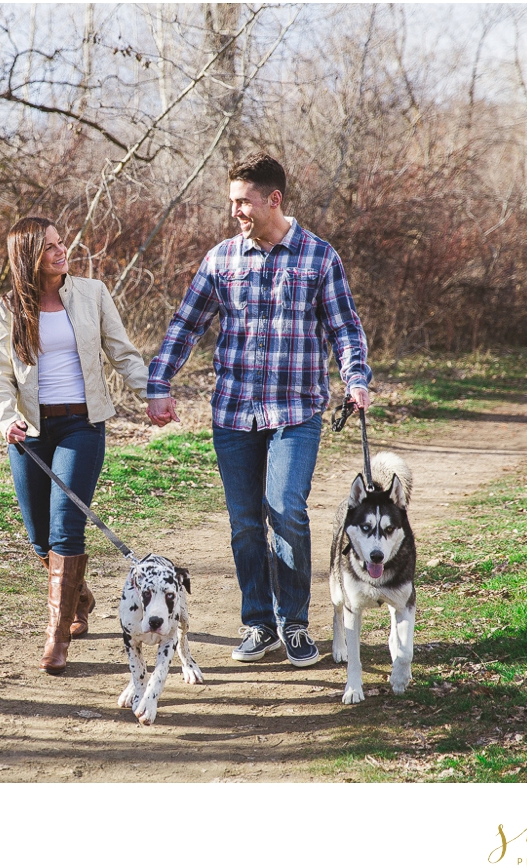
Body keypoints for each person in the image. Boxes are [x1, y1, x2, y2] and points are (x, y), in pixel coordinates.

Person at [145, 152, 372, 668]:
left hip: (295, 413)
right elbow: (186, 325)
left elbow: (344, 328)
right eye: (231, 203)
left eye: (243, 202)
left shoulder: (319, 257)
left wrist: (355, 378)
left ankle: (294, 623)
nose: (236, 213)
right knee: (246, 522)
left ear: (274, 199)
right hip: (234, 414)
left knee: (286, 510)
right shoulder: (222, 259)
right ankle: (258, 624)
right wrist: (159, 382)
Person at [0, 216, 149, 674]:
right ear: (28, 258)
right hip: (31, 433)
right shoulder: (8, 308)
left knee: (65, 528)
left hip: (82, 425)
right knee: (40, 535)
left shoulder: (92, 293)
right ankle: (78, 595)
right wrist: (6, 418)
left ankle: (56, 640)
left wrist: (151, 394)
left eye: (62, 243)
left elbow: (122, 352)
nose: (62, 251)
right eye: (50, 248)